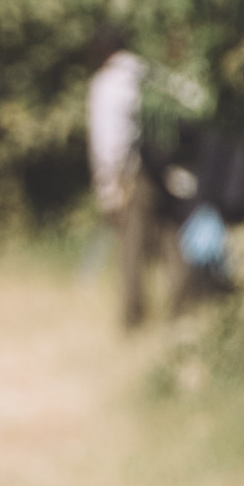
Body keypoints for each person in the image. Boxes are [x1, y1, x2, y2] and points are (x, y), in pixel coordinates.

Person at [86, 28, 154, 330]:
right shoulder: (148, 74)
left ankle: (133, 317)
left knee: (130, 247)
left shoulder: (106, 84)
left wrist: (109, 187)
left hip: (129, 174)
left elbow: (107, 141)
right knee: (170, 242)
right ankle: (185, 308)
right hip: (164, 169)